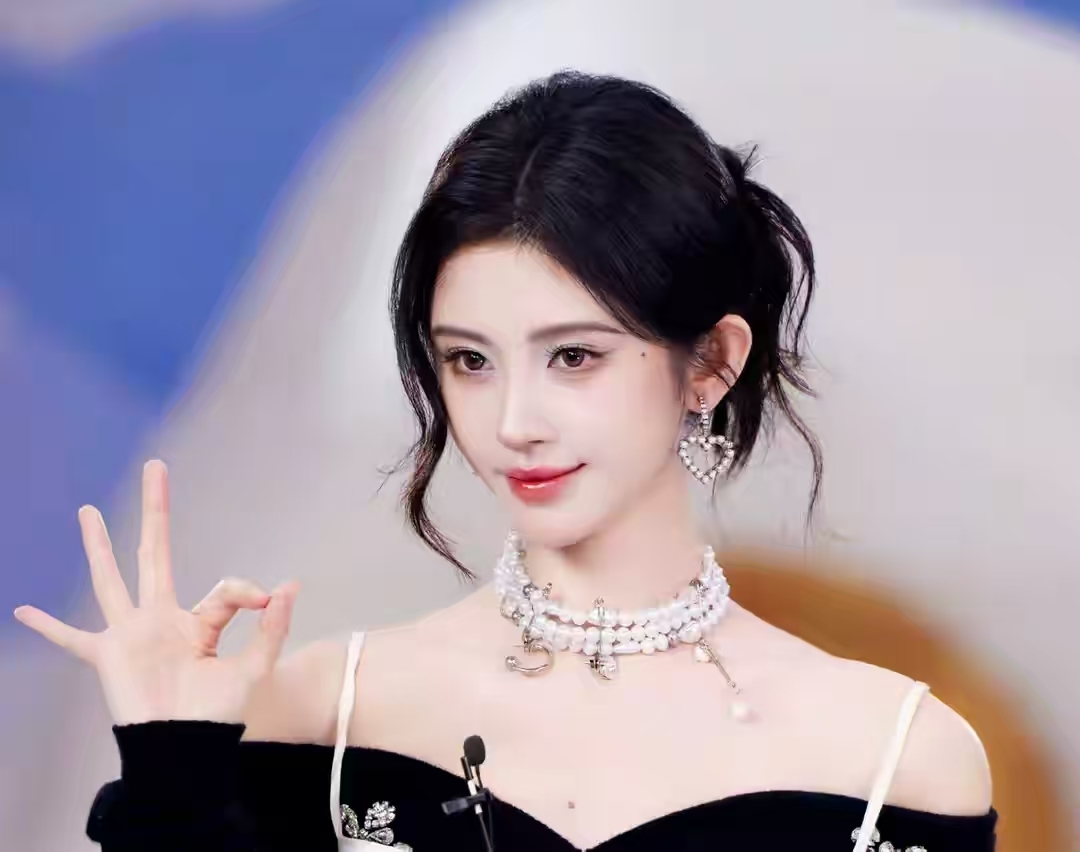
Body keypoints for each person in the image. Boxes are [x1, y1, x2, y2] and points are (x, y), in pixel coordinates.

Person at [14, 71, 996, 851]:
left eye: (574, 357)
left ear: (711, 362)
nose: (514, 421)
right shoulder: (320, 711)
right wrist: (172, 766)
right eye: (470, 361)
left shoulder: (900, 758)